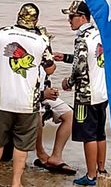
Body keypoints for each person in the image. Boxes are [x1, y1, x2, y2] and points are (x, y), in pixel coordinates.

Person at [0, 4, 55, 187]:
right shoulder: (41, 39)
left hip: (3, 100)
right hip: (28, 103)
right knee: (22, 144)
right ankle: (16, 183)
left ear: (18, 16)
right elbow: (50, 68)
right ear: (36, 20)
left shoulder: (2, 33)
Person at [60, 0, 109, 186]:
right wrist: (64, 57)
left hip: (85, 96)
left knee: (88, 135)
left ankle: (91, 176)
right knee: (100, 133)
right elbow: (91, 59)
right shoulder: (99, 34)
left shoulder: (81, 38)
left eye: (71, 17)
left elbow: (80, 67)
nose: (68, 20)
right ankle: (101, 170)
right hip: (102, 93)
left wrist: (68, 82)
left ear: (82, 18)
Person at [33, 26, 76, 176]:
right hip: (32, 98)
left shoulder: (46, 59)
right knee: (37, 115)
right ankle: (41, 153)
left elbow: (46, 78)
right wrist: (42, 94)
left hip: (43, 96)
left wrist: (50, 92)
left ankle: (56, 156)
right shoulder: (28, 59)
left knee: (70, 115)